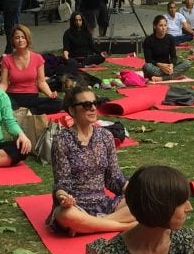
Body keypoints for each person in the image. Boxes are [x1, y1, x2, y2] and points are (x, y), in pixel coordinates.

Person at [47, 85, 136, 236]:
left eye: (95, 103)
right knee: (66, 215)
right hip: (76, 206)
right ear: (72, 110)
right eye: (87, 105)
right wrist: (63, 198)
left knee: (145, 202)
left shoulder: (106, 136)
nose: (93, 108)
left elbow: (114, 178)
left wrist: (136, 191)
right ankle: (123, 226)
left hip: (103, 204)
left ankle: (89, 225)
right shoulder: (61, 140)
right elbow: (62, 182)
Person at [0, 24, 62, 114]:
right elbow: (3, 83)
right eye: (17, 37)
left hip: (32, 97)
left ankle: (27, 112)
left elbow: (41, 82)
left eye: (23, 37)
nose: (20, 40)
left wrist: (50, 94)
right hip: (13, 97)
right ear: (12, 40)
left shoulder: (37, 58)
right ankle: (20, 112)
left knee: (58, 103)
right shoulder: (6, 60)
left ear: (27, 39)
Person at [142, 15, 191, 82]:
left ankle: (162, 78)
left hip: (168, 68)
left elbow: (174, 57)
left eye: (165, 25)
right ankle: (172, 76)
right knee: (146, 66)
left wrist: (171, 65)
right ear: (155, 26)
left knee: (187, 63)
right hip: (156, 68)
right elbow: (148, 60)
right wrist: (161, 65)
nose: (163, 28)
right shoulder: (148, 40)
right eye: (161, 25)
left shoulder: (170, 38)